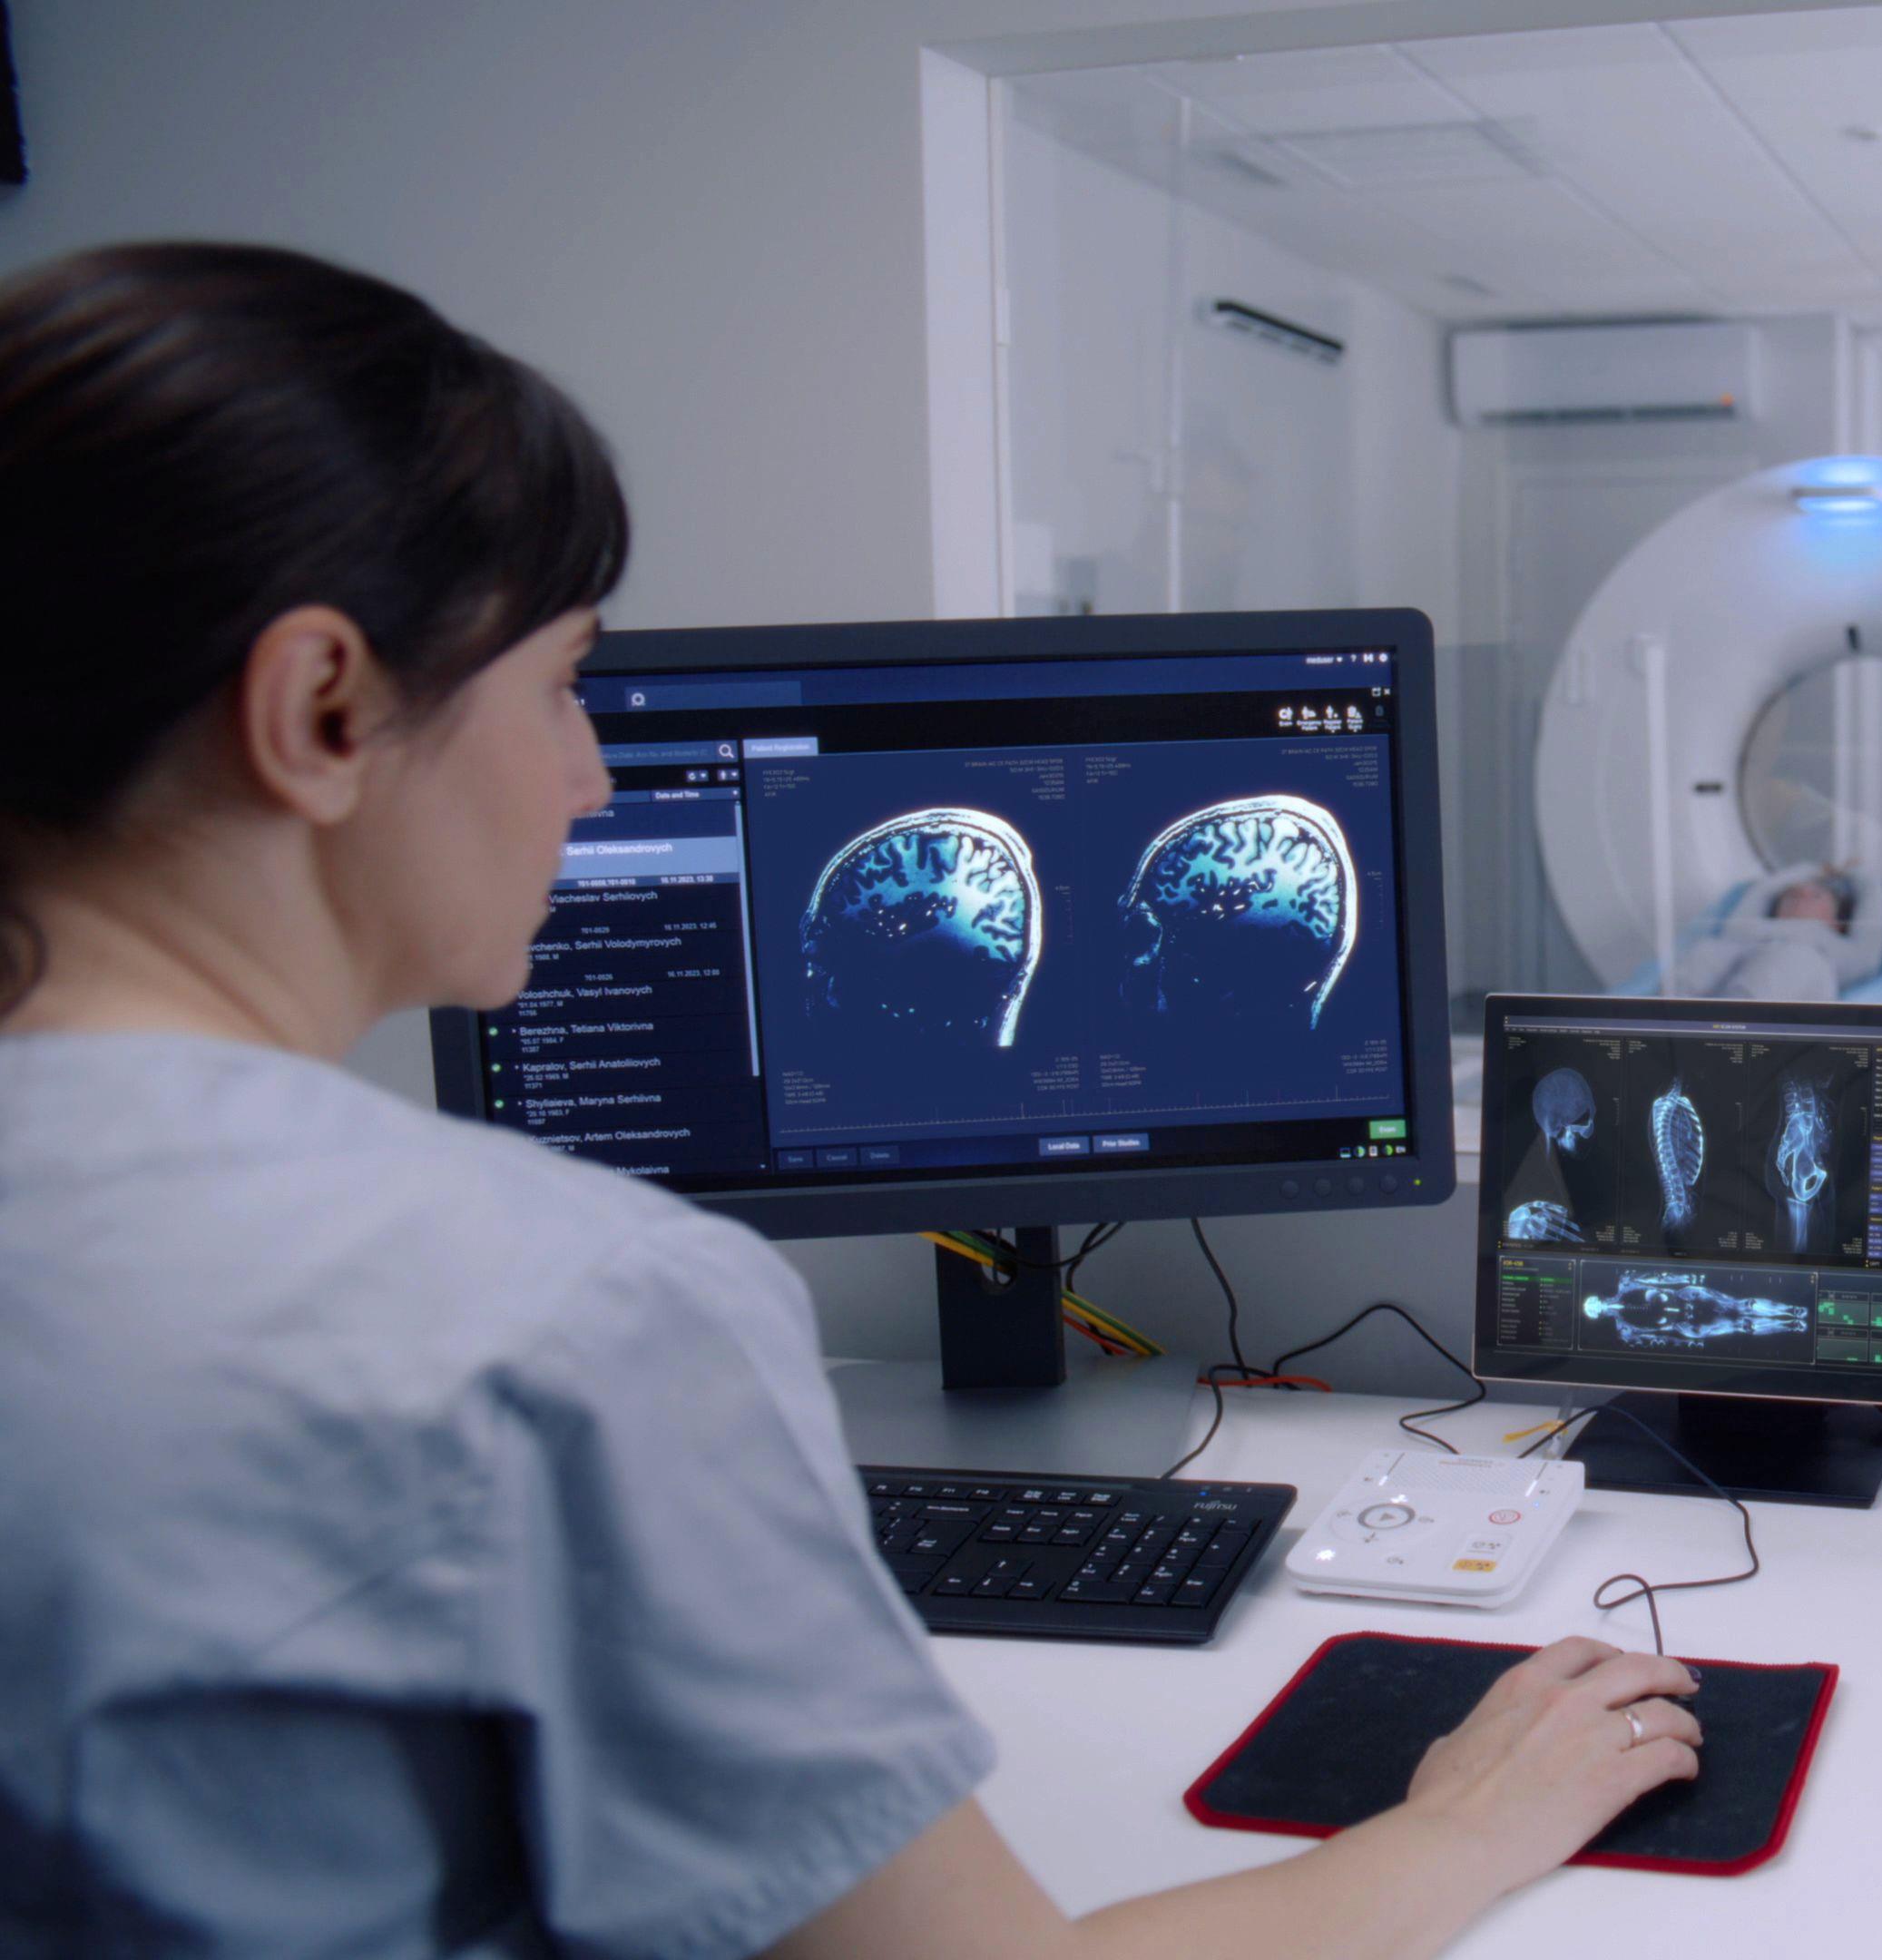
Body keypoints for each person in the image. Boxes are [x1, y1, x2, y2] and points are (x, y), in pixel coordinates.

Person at [0, 241, 1699, 1957]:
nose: (591, 775)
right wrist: (1463, 1828)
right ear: (321, 708)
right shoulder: (564, 1318)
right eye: (561, 682)